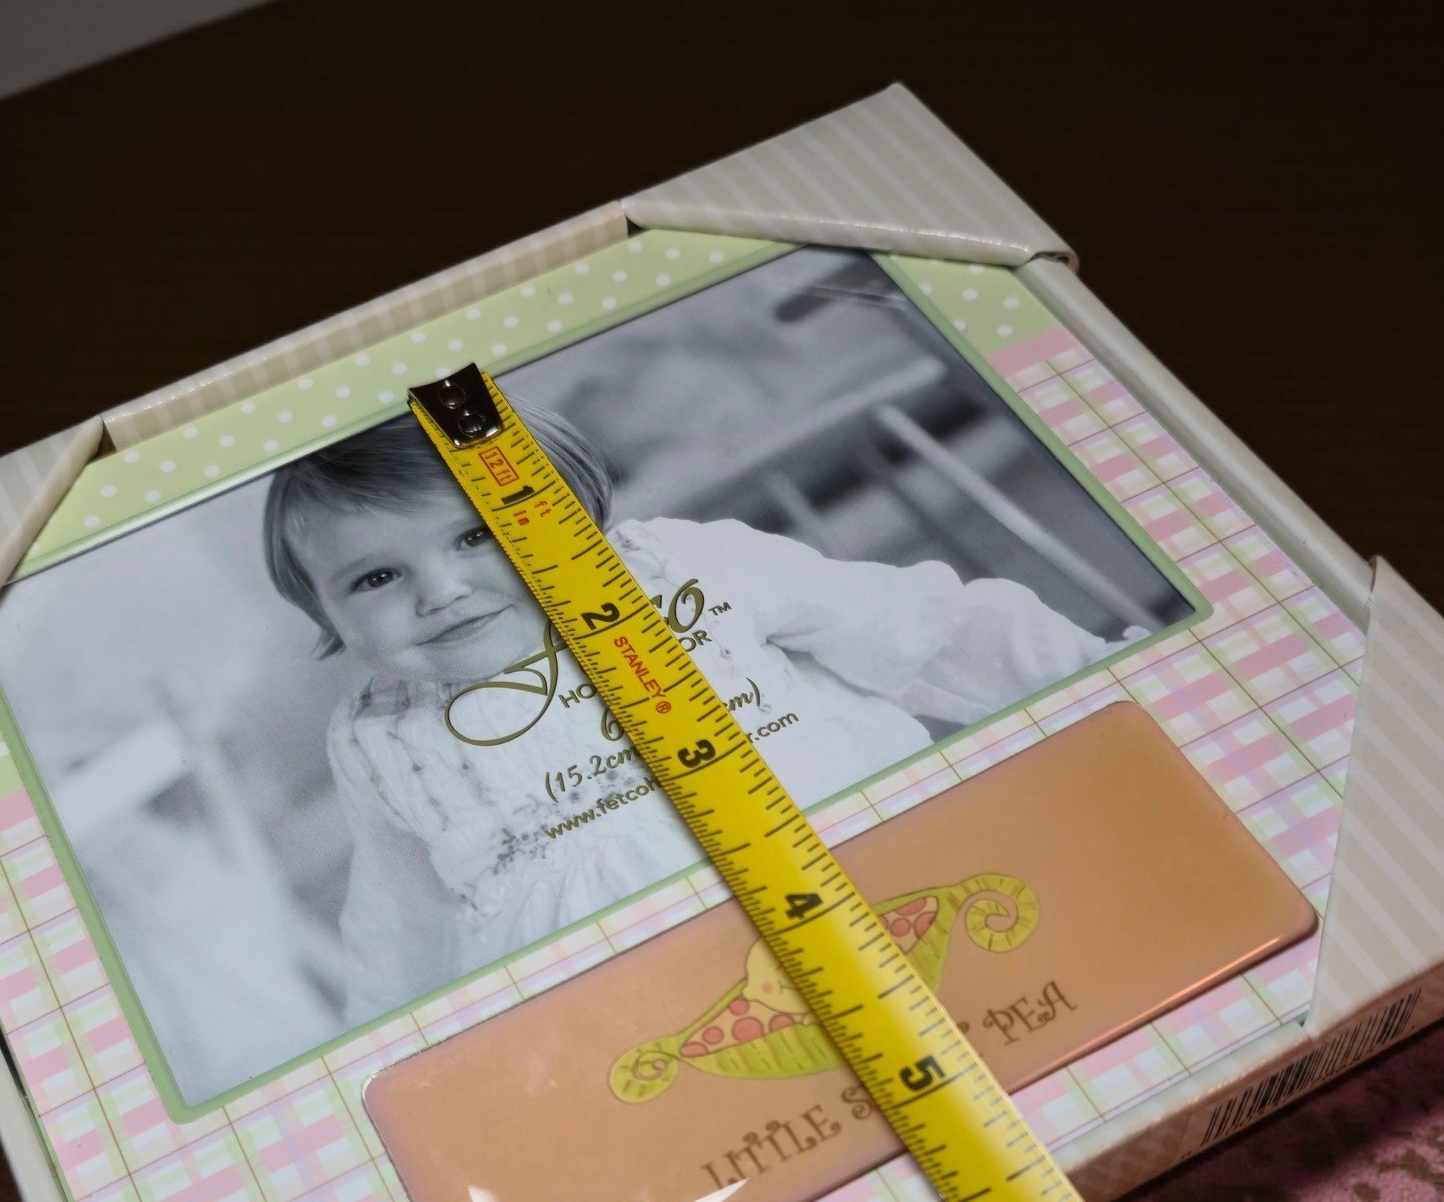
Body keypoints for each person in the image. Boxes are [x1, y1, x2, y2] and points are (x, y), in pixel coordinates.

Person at [263, 401, 1125, 1018]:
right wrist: (393, 1050)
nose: (440, 591)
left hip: (887, 876)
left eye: (476, 533)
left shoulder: (677, 568)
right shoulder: (375, 737)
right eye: (376, 577)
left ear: (565, 509)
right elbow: (400, 918)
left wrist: (1100, 683)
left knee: (1050, 995)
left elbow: (924, 628)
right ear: (324, 615)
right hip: (657, 1014)